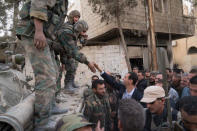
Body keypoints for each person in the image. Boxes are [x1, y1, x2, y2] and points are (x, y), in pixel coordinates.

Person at [16, 0, 69, 128]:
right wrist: (38, 31)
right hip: (32, 31)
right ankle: (42, 122)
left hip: (44, 35)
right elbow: (39, 2)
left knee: (55, 72)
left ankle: (51, 106)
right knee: (46, 76)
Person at [57, 20, 96, 93]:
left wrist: (84, 39)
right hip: (59, 52)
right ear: (79, 29)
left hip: (67, 52)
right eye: (84, 31)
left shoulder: (76, 33)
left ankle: (71, 83)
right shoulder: (67, 32)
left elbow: (80, 46)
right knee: (68, 68)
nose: (85, 33)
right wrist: (87, 62)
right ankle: (67, 85)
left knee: (74, 66)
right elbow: (73, 51)